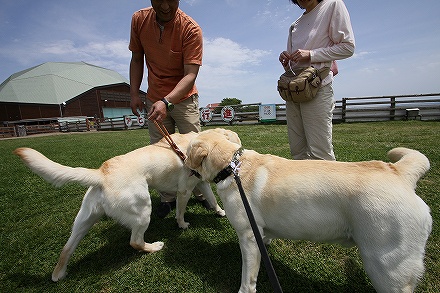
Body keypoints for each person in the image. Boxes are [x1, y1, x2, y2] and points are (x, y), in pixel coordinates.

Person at [129, 0, 209, 218]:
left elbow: (190, 74)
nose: (165, 6)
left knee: (195, 149)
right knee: (161, 151)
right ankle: (167, 199)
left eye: (171, 0)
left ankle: (201, 194)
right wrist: (135, 93)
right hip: (154, 98)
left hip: (183, 99)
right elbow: (137, 58)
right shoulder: (139, 20)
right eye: (159, 0)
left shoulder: (190, 28)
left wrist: (167, 101)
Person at [279, 0, 355, 160]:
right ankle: (303, 186)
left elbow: (348, 47)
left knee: (320, 153)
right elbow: (295, 64)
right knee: (297, 152)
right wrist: (287, 60)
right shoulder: (295, 25)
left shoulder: (332, 5)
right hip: (294, 89)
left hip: (317, 87)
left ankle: (330, 186)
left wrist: (311, 54)